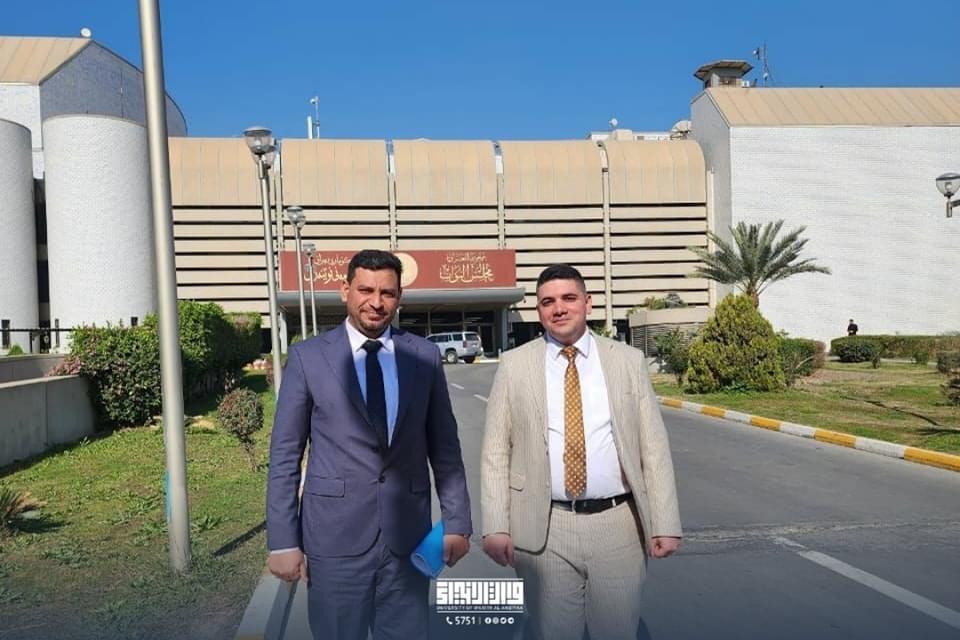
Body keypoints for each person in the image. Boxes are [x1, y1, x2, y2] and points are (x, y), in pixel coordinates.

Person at [266, 249, 472, 640]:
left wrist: (458, 522)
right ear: (345, 290)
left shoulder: (424, 356)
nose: (376, 302)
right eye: (365, 290)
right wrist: (283, 541)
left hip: (407, 542)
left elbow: (445, 448)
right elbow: (285, 456)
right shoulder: (309, 358)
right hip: (334, 543)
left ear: (399, 297)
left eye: (387, 293)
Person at [481, 264, 682, 640]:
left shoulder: (626, 361)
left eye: (568, 298)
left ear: (588, 303)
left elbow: (653, 447)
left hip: (618, 524)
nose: (558, 308)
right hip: (545, 526)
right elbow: (495, 452)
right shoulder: (514, 365)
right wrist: (495, 525)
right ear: (539, 310)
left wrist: (666, 523)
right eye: (548, 302)